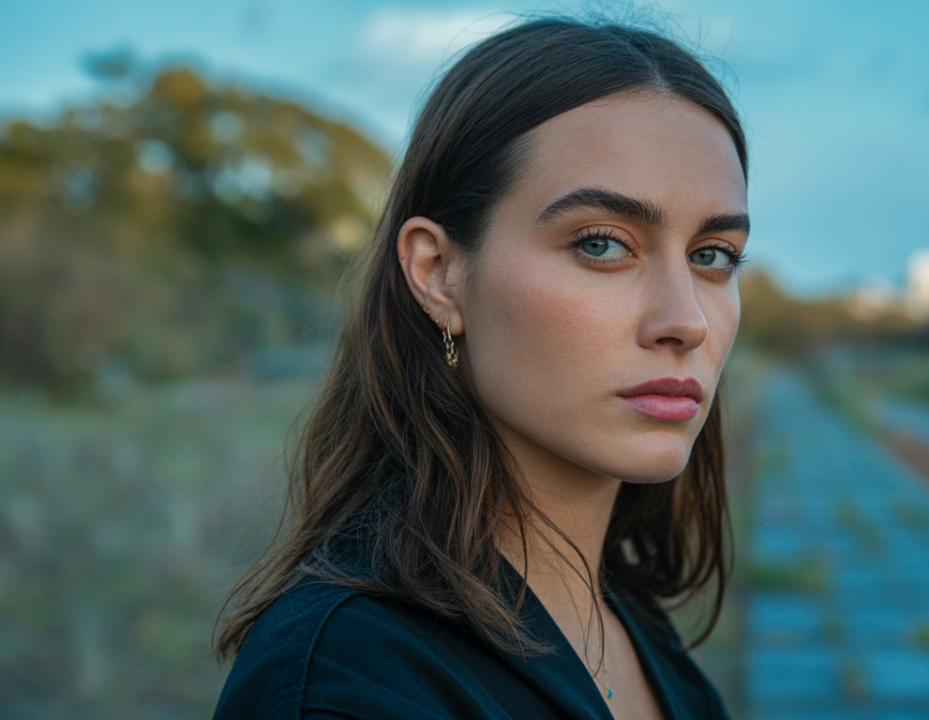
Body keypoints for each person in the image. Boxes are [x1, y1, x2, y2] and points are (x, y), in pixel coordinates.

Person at [213, 16, 749, 720]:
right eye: (601, 244)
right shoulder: (349, 685)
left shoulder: (631, 622)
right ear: (439, 274)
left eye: (712, 255)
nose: (686, 320)